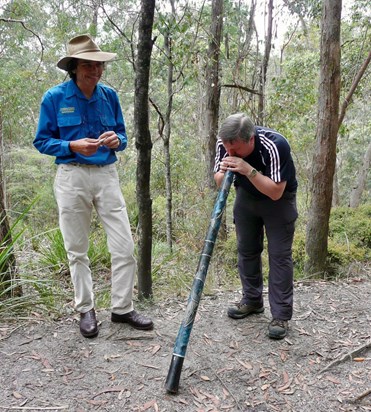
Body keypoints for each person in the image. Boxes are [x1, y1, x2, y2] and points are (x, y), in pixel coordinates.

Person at [33, 34, 153, 338]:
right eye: (89, 66)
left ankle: (122, 309)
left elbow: (123, 136)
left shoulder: (109, 96)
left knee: (124, 246)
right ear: (74, 67)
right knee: (77, 249)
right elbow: (42, 141)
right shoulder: (54, 98)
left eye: (99, 66)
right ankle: (85, 309)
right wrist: (71, 144)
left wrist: (118, 140)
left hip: (106, 174)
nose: (96, 72)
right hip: (71, 175)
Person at [214, 113, 298, 339]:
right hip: (246, 198)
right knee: (246, 249)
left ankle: (280, 315)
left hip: (278, 201)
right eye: (227, 148)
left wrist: (247, 169)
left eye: (237, 149)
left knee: (279, 256)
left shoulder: (275, 144)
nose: (231, 153)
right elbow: (219, 181)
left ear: (250, 139)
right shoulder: (225, 142)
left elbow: (275, 191)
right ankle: (252, 300)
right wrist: (226, 169)